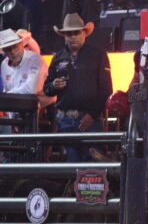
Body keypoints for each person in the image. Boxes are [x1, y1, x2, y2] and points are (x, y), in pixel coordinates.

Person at [43, 14, 112, 162]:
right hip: (65, 119)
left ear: (84, 33)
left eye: (76, 33)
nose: (72, 37)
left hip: (90, 119)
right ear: (64, 36)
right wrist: (53, 86)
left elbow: (106, 90)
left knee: (93, 162)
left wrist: (92, 115)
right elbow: (46, 89)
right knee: (71, 163)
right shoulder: (58, 57)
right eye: (69, 33)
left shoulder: (98, 55)